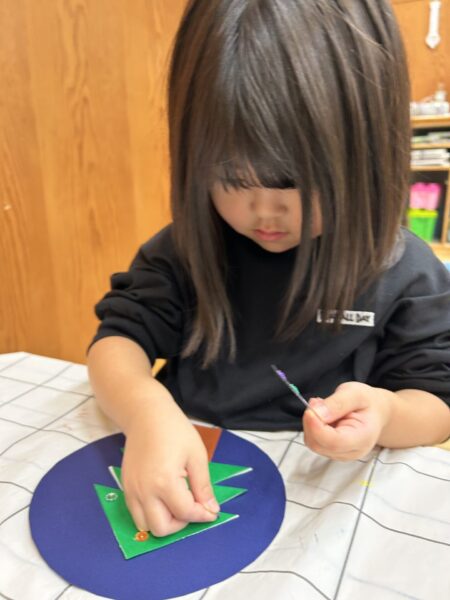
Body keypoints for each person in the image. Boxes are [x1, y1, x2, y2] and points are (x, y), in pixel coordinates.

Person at [87, 0, 450, 538]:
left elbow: (436, 403)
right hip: (192, 463)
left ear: (367, 155)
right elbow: (117, 342)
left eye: (293, 181)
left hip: (327, 496)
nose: (263, 212)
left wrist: (386, 415)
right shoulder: (187, 248)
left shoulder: (406, 272)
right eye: (230, 178)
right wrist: (146, 412)